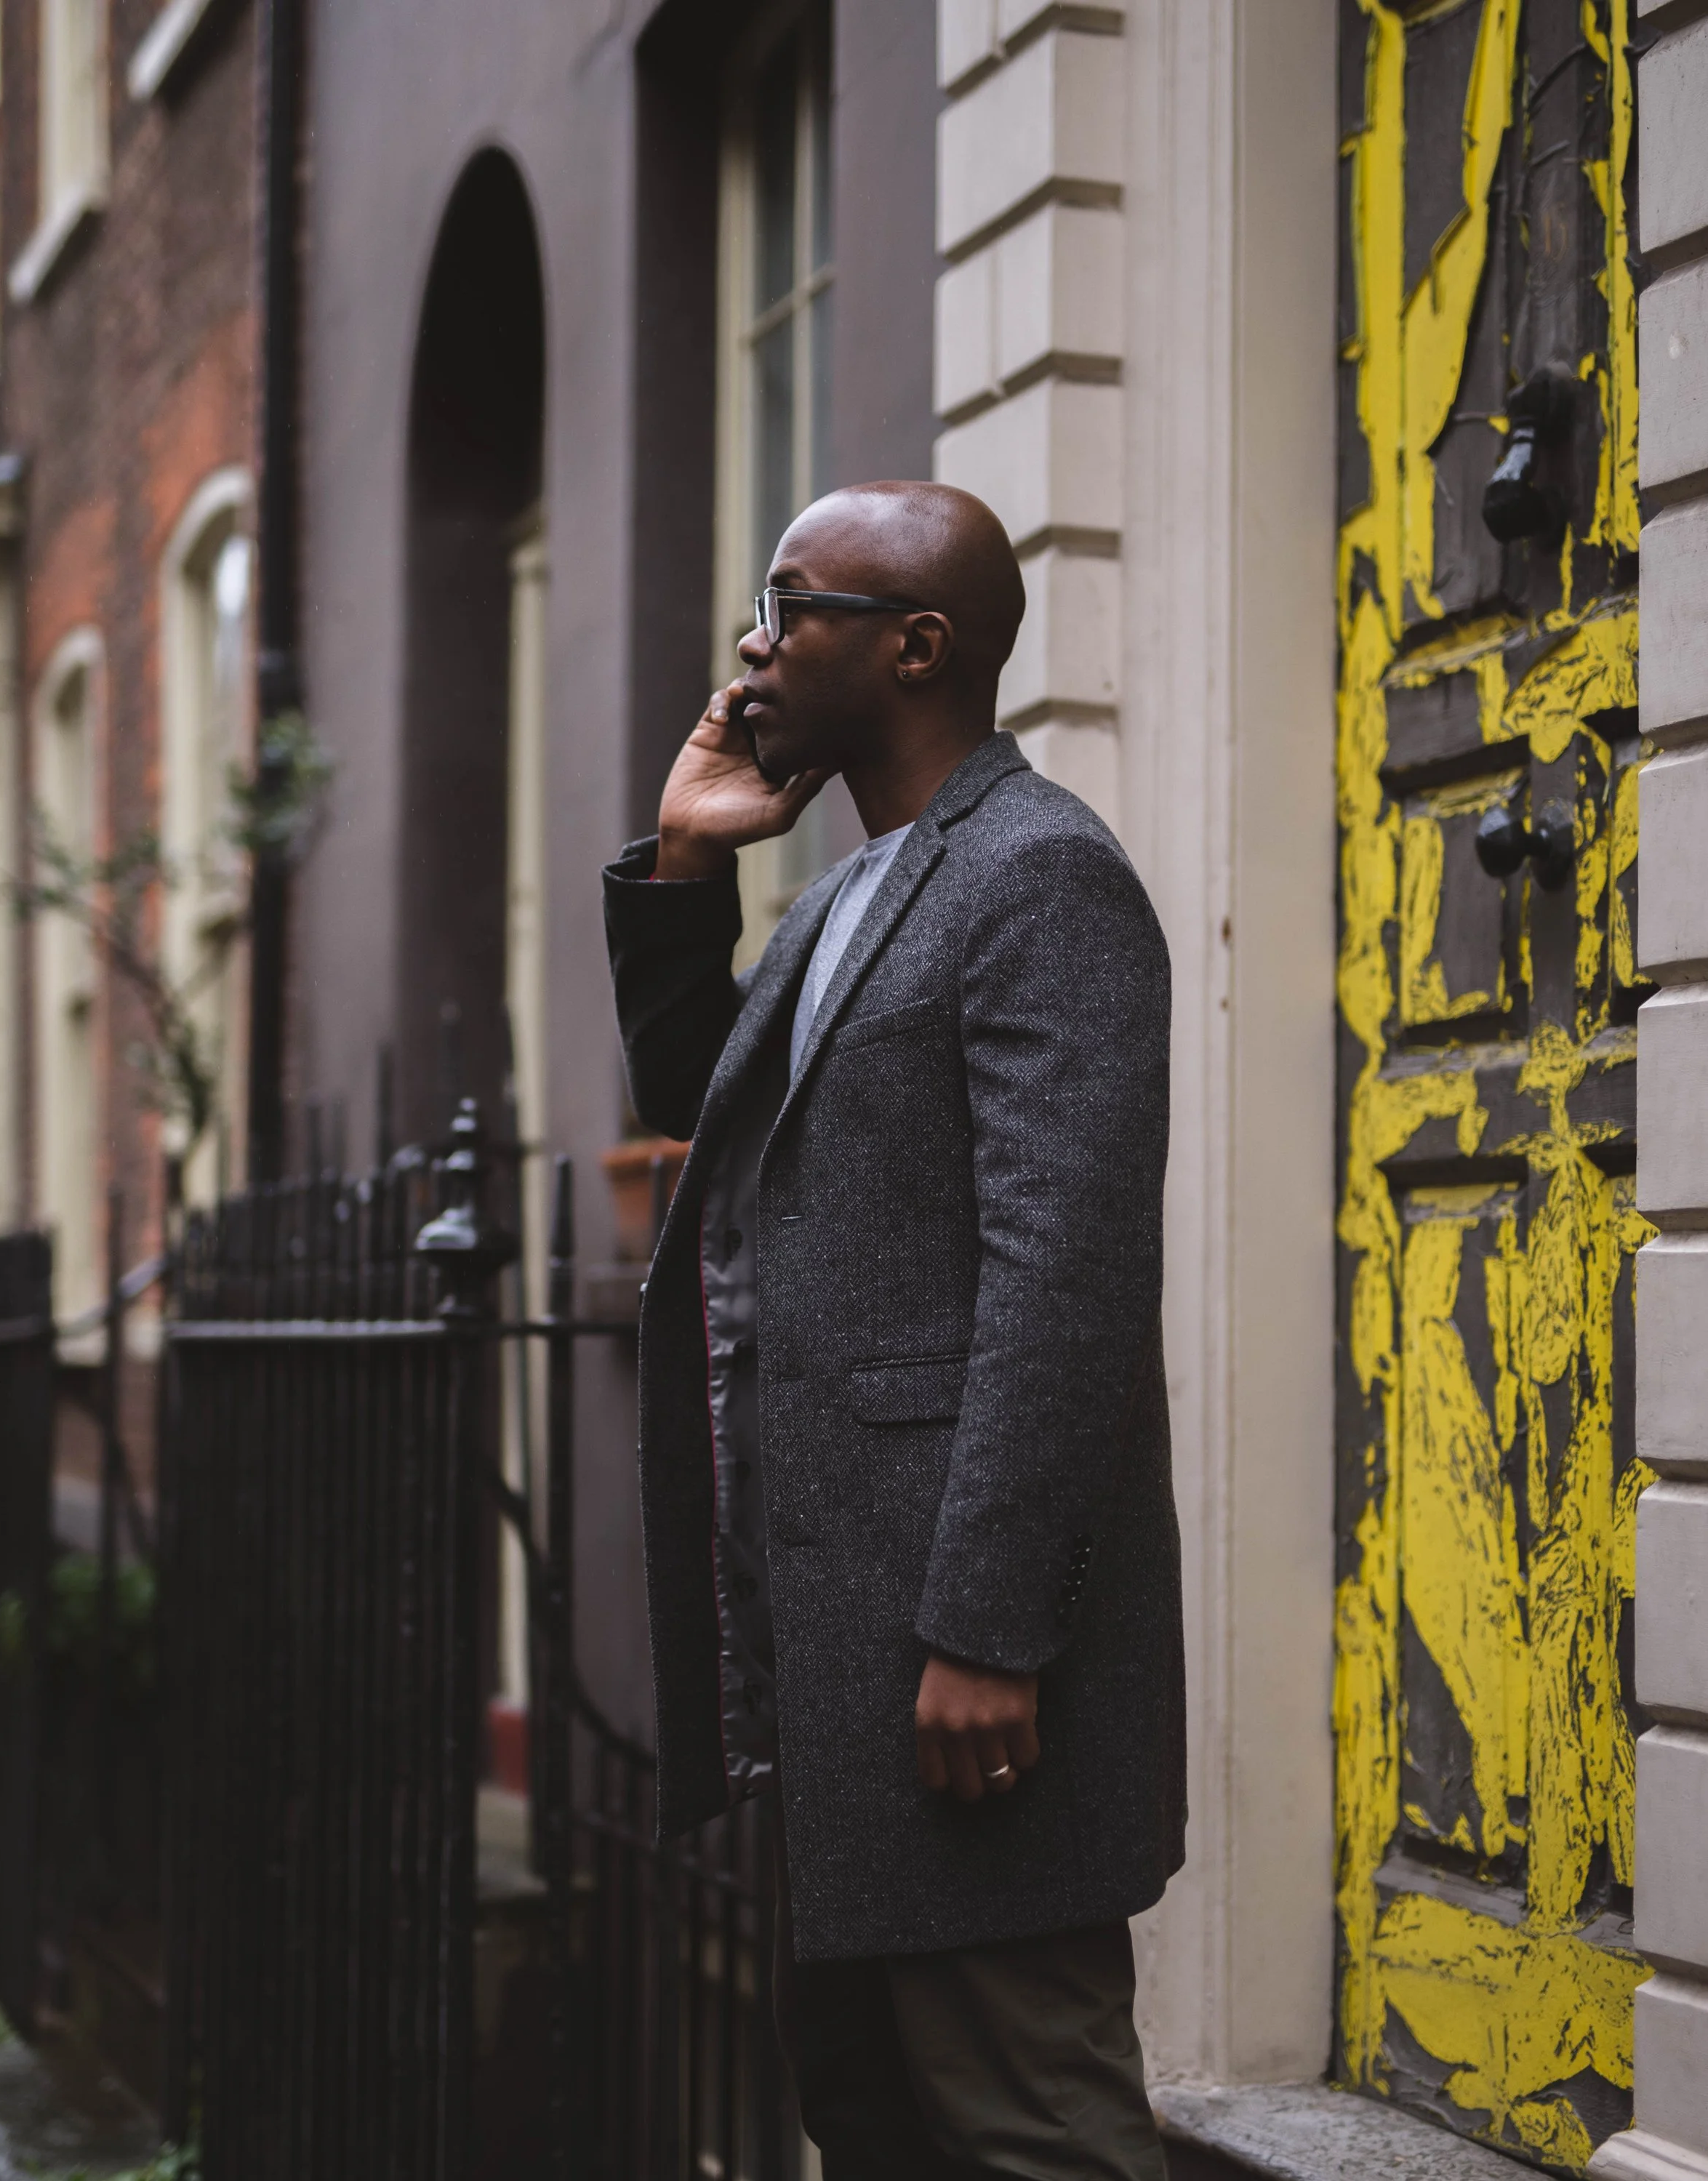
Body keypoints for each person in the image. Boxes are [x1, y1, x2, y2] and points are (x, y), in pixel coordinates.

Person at [604, 481, 1182, 2179]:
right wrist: (693, 855)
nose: (751, 642)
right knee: (872, 2121)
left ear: (916, 646)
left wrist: (990, 1633)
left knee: (1031, 2128)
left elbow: (1062, 1284)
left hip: (958, 1671)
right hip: (844, 1655)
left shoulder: (1042, 877)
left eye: (791, 604)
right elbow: (709, 1135)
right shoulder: (860, 893)